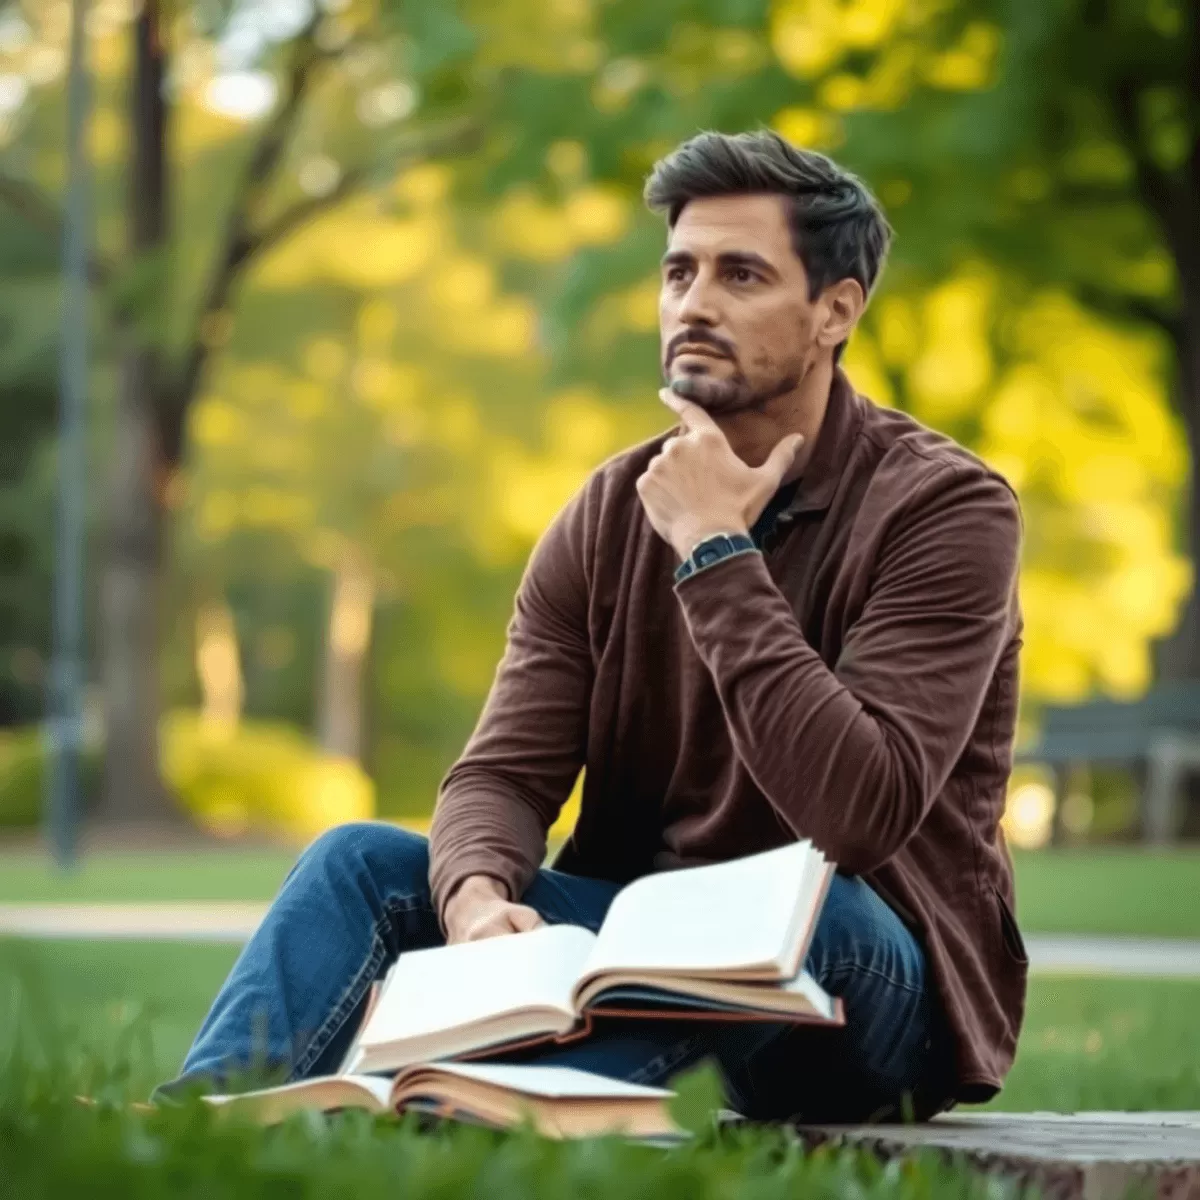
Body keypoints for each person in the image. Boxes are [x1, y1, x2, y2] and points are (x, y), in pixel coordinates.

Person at [161, 130, 1026, 1123]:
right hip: (640, 944)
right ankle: (198, 1132)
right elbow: (501, 774)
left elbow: (858, 813)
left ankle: (463, 1120)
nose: (694, 303)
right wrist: (476, 899)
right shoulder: (610, 510)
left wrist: (712, 548)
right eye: (679, 272)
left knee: (799, 897)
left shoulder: (946, 510)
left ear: (836, 310)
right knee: (358, 862)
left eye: (741, 274)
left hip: (869, 985)